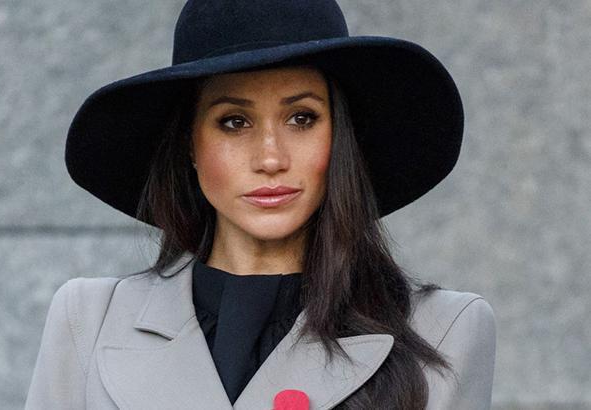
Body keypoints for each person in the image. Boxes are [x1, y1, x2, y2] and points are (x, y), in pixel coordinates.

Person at [25, 0, 496, 409]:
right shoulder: (88, 321)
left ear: (339, 137)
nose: (270, 158)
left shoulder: (442, 330)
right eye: (234, 122)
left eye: (301, 118)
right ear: (190, 144)